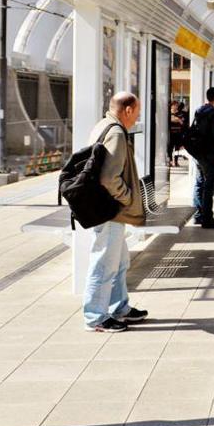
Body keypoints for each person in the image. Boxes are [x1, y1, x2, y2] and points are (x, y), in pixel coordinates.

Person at [83, 92, 149, 333]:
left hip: (107, 209)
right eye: (137, 112)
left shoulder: (104, 125)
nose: (138, 117)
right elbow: (109, 177)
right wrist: (128, 197)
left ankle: (119, 307)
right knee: (104, 264)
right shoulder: (117, 133)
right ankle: (95, 317)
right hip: (108, 210)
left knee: (119, 261)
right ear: (128, 110)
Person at [190, 87, 214, 229]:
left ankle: (198, 215)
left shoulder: (200, 110)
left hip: (198, 153)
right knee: (209, 185)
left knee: (199, 182)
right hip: (209, 154)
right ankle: (207, 218)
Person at [168, 101, 187, 167]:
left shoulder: (180, 113)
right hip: (171, 133)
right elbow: (170, 120)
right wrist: (177, 120)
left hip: (178, 133)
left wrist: (177, 119)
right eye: (175, 105)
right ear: (172, 106)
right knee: (170, 148)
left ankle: (176, 161)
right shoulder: (168, 113)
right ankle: (170, 161)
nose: (176, 107)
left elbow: (182, 122)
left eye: (177, 105)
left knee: (177, 148)